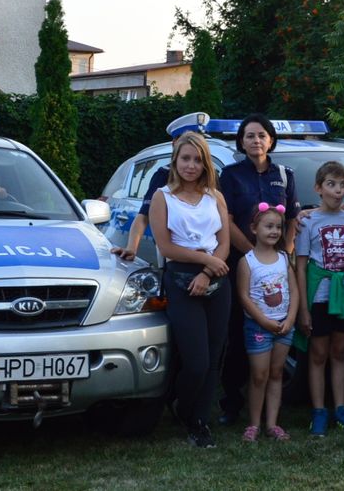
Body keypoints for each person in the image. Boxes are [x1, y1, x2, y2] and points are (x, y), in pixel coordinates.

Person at [149, 131, 231, 448]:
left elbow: (223, 243)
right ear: (175, 160)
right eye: (186, 158)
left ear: (205, 163)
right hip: (182, 279)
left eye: (198, 160)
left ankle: (198, 420)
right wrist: (202, 262)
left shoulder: (215, 196)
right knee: (195, 361)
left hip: (216, 278)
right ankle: (181, 404)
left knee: (213, 360)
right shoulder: (162, 197)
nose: (191, 165)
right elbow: (166, 246)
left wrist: (209, 272)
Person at [217, 113, 299, 424]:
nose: (256, 141)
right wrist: (254, 255)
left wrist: (285, 254)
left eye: (261, 135)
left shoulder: (285, 174)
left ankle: (268, 408)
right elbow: (226, 219)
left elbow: (292, 217)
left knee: (277, 327)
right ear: (241, 141)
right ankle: (232, 403)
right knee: (240, 333)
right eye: (249, 136)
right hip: (242, 261)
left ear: (270, 139)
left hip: (278, 267)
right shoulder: (231, 175)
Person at [295, 161, 344, 436]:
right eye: (331, 184)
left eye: (343, 185)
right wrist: (303, 308)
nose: (338, 191)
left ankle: (341, 409)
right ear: (319, 188)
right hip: (320, 297)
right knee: (318, 354)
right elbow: (301, 266)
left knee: (339, 352)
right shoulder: (308, 221)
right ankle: (319, 411)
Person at [236, 203, 298, 442]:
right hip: (258, 328)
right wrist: (263, 321)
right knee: (259, 375)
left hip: (283, 327)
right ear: (254, 228)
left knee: (276, 374)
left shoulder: (283, 258)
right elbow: (243, 296)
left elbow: (293, 291)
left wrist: (291, 318)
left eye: (278, 227)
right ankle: (253, 424)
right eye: (268, 226)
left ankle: (272, 424)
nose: (274, 231)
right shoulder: (247, 262)